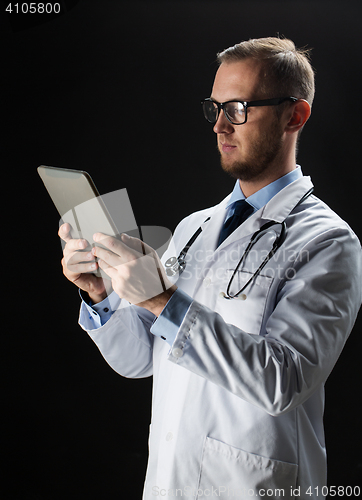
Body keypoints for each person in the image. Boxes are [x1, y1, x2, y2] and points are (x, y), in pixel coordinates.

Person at [59, 37, 361, 499]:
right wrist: (102, 294)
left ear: (294, 116)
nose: (220, 125)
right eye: (215, 107)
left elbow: (283, 380)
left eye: (238, 108)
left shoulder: (328, 241)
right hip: (171, 481)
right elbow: (142, 360)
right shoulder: (194, 228)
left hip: (255, 484)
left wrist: (160, 298)